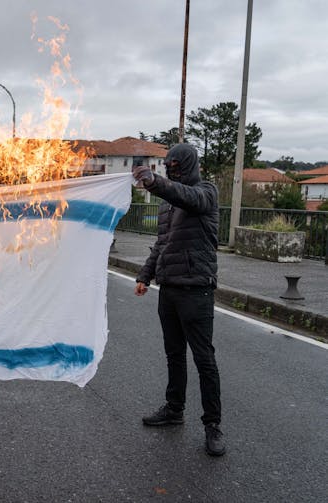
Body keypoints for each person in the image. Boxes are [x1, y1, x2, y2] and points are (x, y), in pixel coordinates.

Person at [132, 143, 225, 457]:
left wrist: (156, 182)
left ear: (187, 164)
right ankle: (174, 410)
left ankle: (213, 426)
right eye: (167, 166)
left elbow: (187, 196)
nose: (171, 169)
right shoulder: (166, 205)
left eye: (175, 165)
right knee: (174, 354)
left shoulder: (205, 192)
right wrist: (146, 275)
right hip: (169, 289)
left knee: (204, 360)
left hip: (196, 289)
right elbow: (162, 243)